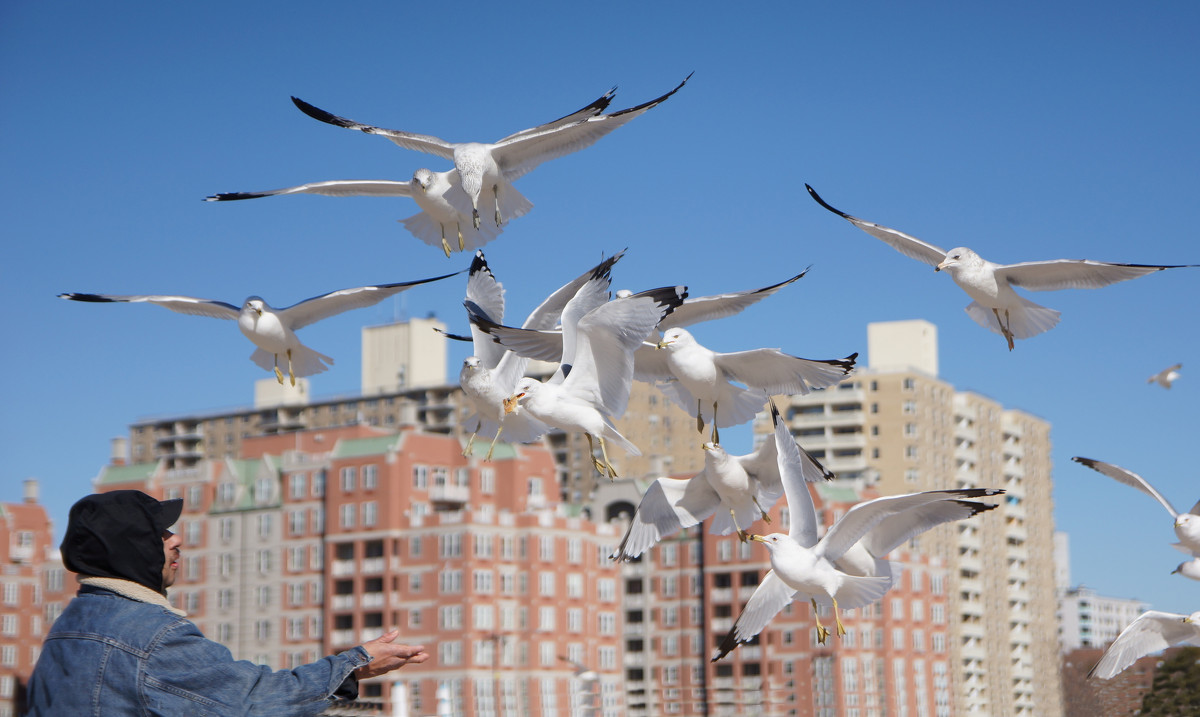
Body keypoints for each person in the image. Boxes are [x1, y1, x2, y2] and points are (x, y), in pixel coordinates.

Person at [26, 490, 430, 716]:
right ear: (128, 549)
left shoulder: (67, 629)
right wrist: (354, 664)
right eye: (160, 533)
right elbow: (252, 703)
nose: (177, 539)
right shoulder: (153, 636)